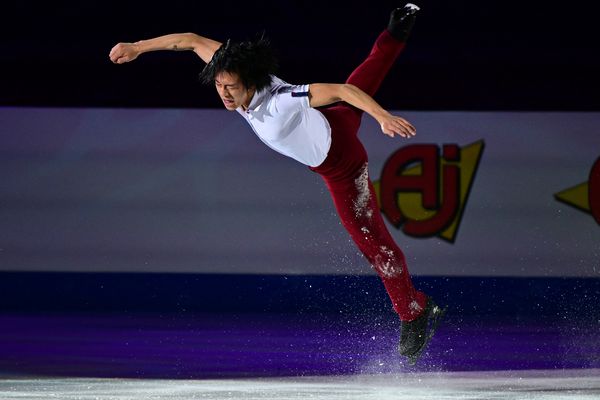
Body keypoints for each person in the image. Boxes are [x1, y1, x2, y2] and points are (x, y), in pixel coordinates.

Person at [109, 3, 444, 365]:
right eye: (219, 85)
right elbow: (190, 41)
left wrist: (382, 116)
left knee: (373, 243)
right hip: (333, 123)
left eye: (231, 88)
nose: (223, 94)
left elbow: (344, 91)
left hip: (342, 164)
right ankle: (395, 32)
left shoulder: (282, 101)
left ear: (250, 83)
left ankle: (415, 312)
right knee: (369, 72)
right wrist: (138, 47)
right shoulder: (232, 72)